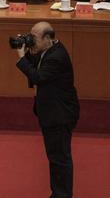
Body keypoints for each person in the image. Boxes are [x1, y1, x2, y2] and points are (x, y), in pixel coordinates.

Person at [14, 21, 79, 198]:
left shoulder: (57, 57)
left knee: (59, 158)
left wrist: (21, 58)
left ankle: (62, 195)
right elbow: (36, 63)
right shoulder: (47, 50)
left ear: (48, 38)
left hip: (59, 114)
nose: (31, 40)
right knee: (55, 157)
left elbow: (39, 77)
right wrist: (27, 48)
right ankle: (58, 193)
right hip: (51, 111)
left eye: (34, 38)